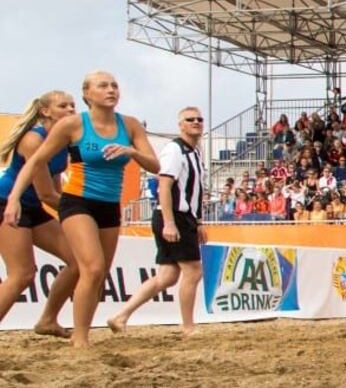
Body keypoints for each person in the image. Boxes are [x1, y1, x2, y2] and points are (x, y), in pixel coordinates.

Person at [3, 71, 159, 348]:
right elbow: (38, 171)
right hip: (53, 202)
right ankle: (80, 340)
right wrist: (16, 198)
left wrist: (132, 153)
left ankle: (57, 323)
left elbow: (156, 166)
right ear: (88, 94)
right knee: (52, 270)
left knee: (93, 271)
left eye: (114, 85)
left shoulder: (131, 125)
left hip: (105, 205)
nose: (111, 89)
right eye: (103, 85)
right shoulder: (65, 129)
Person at [107, 107, 207, 335]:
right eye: (189, 119)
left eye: (199, 119)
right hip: (173, 216)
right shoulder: (175, 149)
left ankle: (120, 316)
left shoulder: (195, 151)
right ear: (180, 124)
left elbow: (196, 190)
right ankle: (188, 326)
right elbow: (164, 185)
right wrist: (170, 222)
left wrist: (198, 221)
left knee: (167, 276)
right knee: (193, 271)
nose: (196, 122)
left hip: (182, 216)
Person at [0, 91, 80, 337]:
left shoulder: (62, 140)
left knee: (80, 261)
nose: (70, 110)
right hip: (7, 204)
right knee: (22, 274)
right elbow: (47, 195)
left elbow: (55, 189)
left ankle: (48, 320)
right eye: (63, 106)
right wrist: (82, 215)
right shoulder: (34, 140)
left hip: (32, 208)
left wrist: (73, 215)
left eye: (73, 105)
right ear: (45, 111)